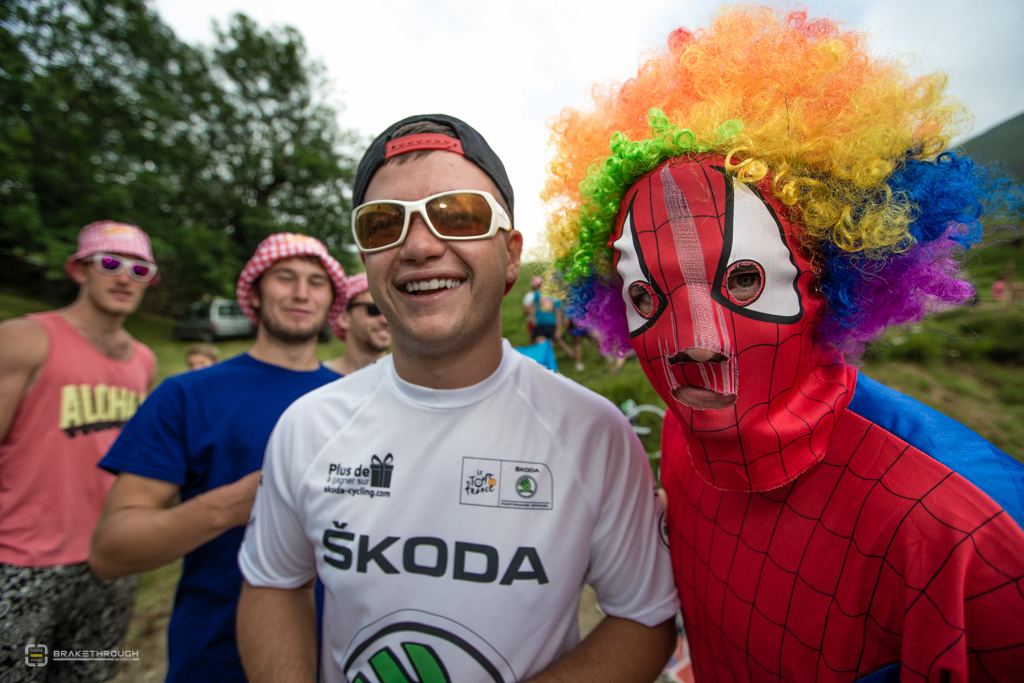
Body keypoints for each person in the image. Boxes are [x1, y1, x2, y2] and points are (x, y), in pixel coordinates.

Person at [541, 6, 1024, 681]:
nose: (697, 346)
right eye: (648, 298)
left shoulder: (966, 531)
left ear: (827, 274)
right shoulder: (683, 440)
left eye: (742, 279)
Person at [236, 113, 679, 683]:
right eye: (382, 226)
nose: (419, 246)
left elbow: (643, 620)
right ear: (366, 262)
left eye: (460, 216)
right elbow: (274, 582)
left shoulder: (594, 434)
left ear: (512, 254)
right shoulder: (308, 426)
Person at [88, 233, 348, 683]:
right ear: (255, 291)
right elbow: (113, 549)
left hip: (345, 658)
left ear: (332, 300)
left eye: (316, 282)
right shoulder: (188, 395)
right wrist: (235, 504)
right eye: (285, 277)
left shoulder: (355, 404)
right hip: (216, 658)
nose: (302, 293)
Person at [0, 221, 158, 682]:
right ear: (80, 269)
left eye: (140, 268)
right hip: (22, 560)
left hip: (109, 560)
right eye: (110, 263)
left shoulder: (143, 358)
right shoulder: (25, 339)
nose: (125, 276)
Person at [323, 272, 391, 375]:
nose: (385, 320)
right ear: (343, 318)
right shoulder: (318, 384)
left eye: (389, 311)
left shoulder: (412, 380)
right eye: (373, 309)